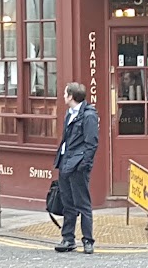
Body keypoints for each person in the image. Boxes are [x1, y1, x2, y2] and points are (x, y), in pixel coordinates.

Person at [54, 82, 99, 254]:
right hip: (65, 163)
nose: (63, 96)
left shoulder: (88, 116)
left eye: (65, 93)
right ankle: (68, 239)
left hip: (78, 166)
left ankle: (88, 241)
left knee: (83, 204)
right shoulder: (69, 114)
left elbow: (91, 144)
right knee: (67, 204)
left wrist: (83, 165)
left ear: (71, 96)